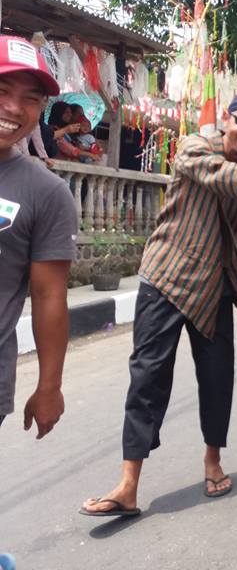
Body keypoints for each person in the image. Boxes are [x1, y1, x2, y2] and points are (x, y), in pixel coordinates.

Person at [79, 92, 237, 518]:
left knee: (217, 378)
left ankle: (213, 459)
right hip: (166, 277)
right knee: (148, 377)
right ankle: (129, 483)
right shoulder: (196, 146)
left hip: (216, 286)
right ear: (226, 118)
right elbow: (216, 174)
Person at [0, 35, 75, 438]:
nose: (14, 108)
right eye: (2, 90)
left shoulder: (46, 192)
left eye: (30, 98)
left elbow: (49, 295)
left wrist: (50, 387)